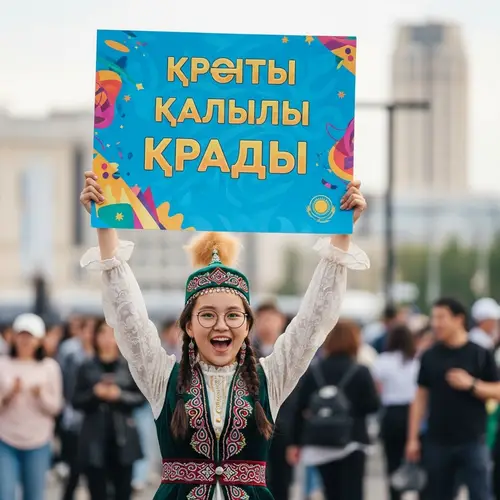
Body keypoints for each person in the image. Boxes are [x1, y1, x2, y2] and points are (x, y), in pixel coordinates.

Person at [79, 170, 369, 500]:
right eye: (207, 315)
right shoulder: (162, 378)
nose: (221, 325)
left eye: (233, 315)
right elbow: (129, 316)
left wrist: (341, 231)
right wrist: (104, 223)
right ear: (188, 326)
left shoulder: (270, 378)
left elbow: (313, 320)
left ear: (248, 326)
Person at [406, 297, 500, 500]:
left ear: (459, 319)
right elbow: (420, 397)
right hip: (437, 441)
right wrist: (412, 438)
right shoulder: (429, 355)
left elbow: (497, 391)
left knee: (481, 494)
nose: (436, 323)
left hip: (473, 440)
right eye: (434, 318)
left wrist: (472, 384)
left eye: (441, 317)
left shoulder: (480, 353)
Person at [289, 319, 380, 500]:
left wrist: (295, 443)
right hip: (353, 441)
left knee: (331, 492)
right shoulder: (361, 371)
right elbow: (373, 405)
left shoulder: (315, 371)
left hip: (321, 442)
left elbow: (299, 407)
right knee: (352, 493)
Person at [72, 318, 144, 500]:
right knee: (98, 493)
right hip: (94, 440)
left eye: (112, 333)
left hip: (123, 438)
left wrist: (119, 395)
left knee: (123, 493)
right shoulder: (86, 366)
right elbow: (75, 401)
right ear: (95, 337)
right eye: (102, 333)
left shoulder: (129, 367)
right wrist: (94, 393)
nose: (107, 339)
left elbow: (141, 398)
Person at [0, 313, 63, 500]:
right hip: (6, 438)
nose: (25, 341)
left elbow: (55, 407)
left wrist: (40, 396)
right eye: (22, 335)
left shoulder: (49, 367)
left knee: (34, 494)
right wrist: (10, 393)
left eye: (30, 336)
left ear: (39, 340)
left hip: (38, 440)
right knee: (5, 492)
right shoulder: (3, 364)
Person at [372, 325, 419, 500]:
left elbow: (377, 389)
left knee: (392, 461)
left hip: (391, 413)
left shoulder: (383, 361)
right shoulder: (415, 361)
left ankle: (395, 495)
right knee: (415, 458)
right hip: (412, 412)